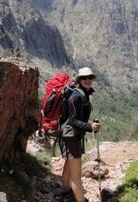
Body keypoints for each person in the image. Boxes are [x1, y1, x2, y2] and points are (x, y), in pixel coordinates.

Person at [59, 67, 101, 202]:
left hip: (70, 135)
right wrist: (90, 126)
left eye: (90, 77)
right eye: (84, 78)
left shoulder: (84, 93)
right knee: (76, 176)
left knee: (69, 163)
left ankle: (66, 192)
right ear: (79, 80)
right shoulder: (75, 96)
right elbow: (73, 120)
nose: (88, 80)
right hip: (71, 136)